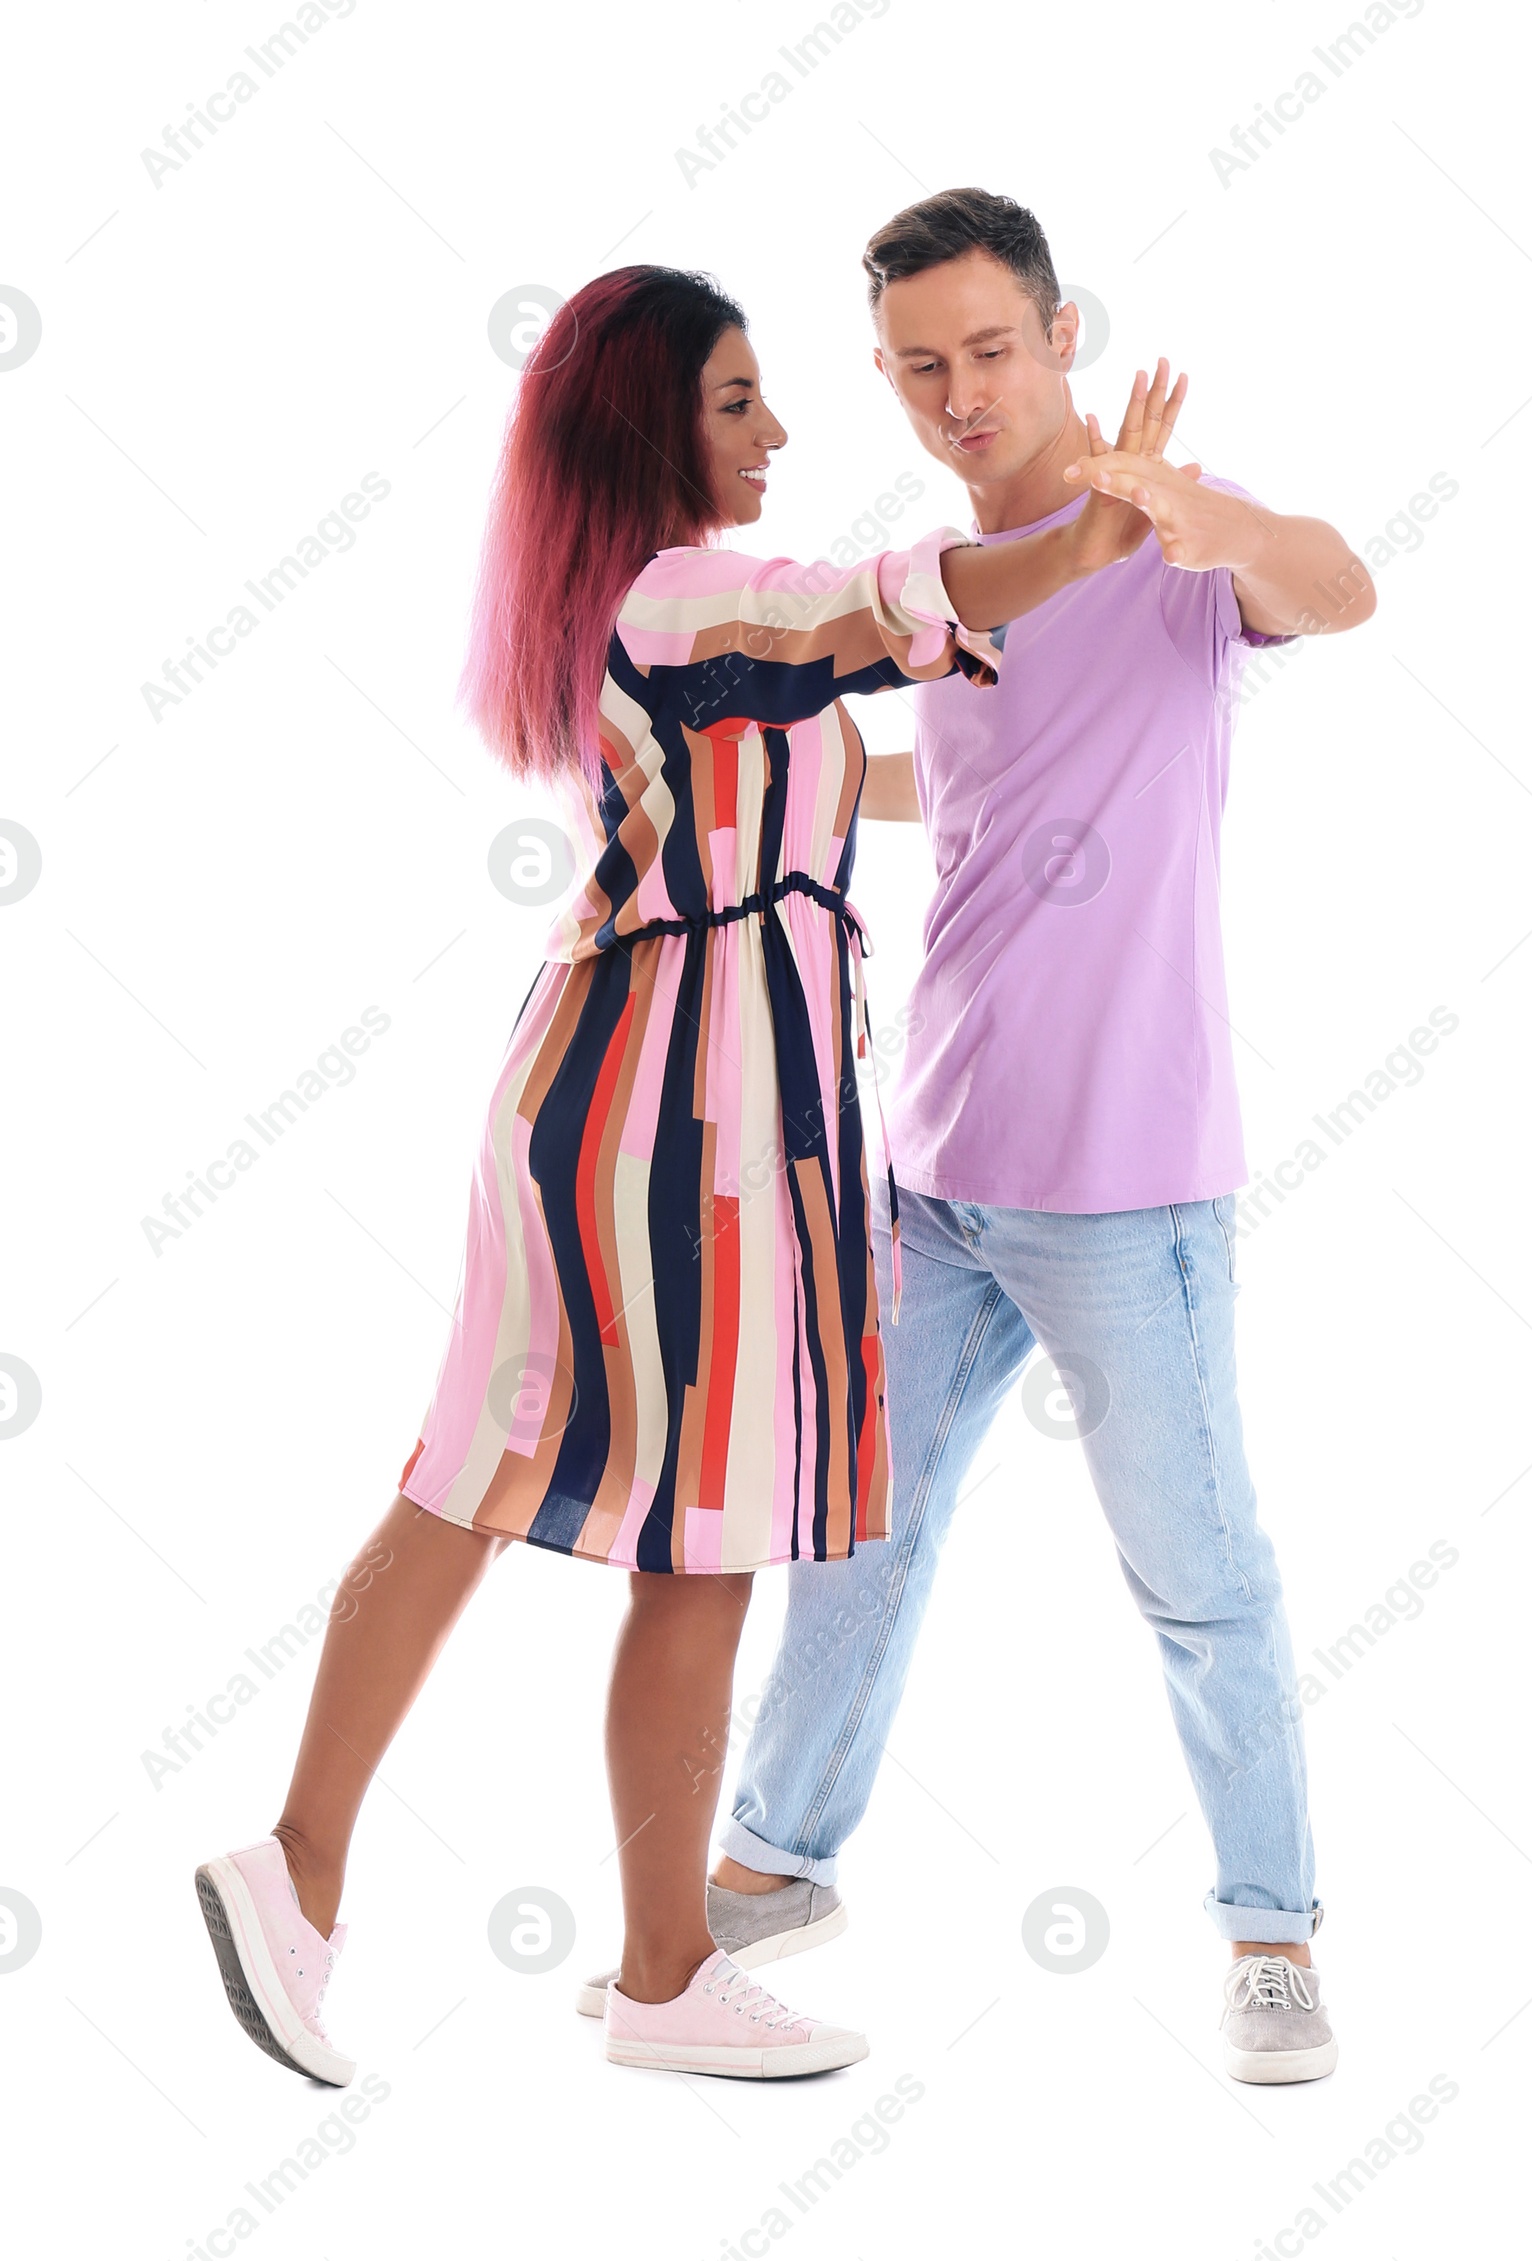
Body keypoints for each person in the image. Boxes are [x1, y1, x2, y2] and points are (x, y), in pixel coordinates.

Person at [193, 261, 1187, 2084]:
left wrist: (1050, 692)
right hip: (691, 1118)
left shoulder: (661, 613)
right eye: (740, 400)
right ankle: (647, 1973)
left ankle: (313, 1872)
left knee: (477, 1477)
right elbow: (900, 599)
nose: (780, 429)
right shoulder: (697, 590)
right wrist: (1099, 517)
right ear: (658, 420)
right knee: (700, 1526)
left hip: (617, 1089)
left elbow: (858, 736)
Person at [588, 190, 1376, 2087]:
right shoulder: (936, 588)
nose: (963, 391)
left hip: (1129, 1187)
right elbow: (940, 778)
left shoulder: (1174, 545)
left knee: (1200, 1573)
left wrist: (1207, 518)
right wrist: (714, 770)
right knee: (856, 1532)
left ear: (1058, 336)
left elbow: (1339, 585)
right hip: (929, 1170)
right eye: (923, 363)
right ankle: (777, 1861)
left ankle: (1272, 1933)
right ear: (887, 374)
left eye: (994, 351)